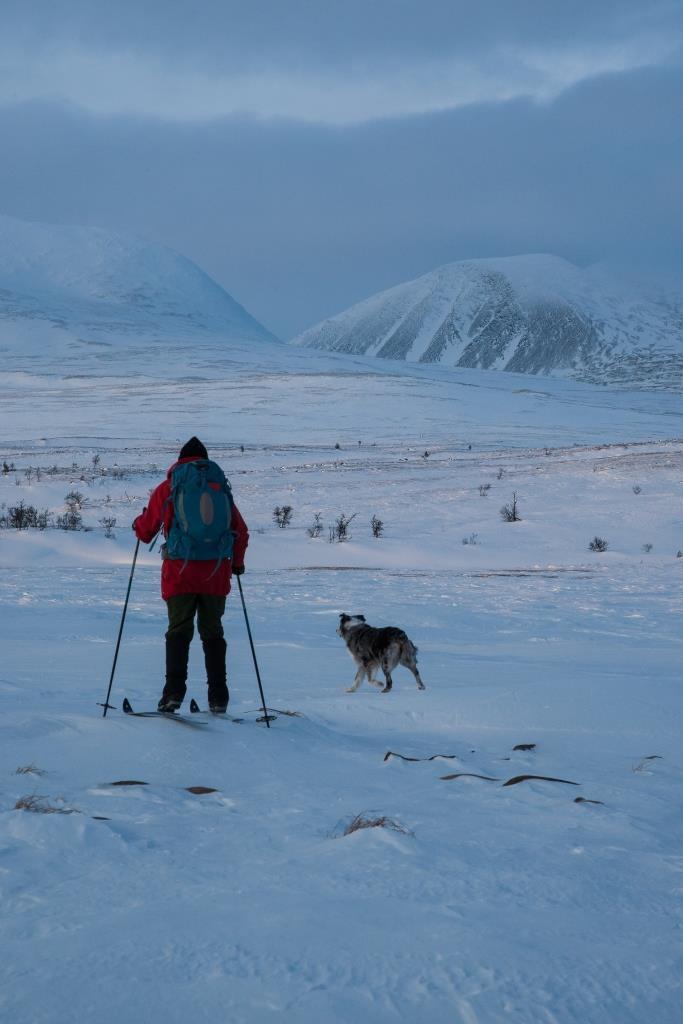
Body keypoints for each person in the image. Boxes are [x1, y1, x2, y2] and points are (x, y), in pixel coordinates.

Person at [133, 437, 248, 713]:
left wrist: (138, 523)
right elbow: (240, 531)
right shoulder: (219, 487)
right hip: (216, 573)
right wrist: (237, 564)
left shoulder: (171, 486)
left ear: (180, 459)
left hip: (179, 572)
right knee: (212, 632)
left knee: (179, 630)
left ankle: (173, 693)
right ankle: (218, 696)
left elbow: (146, 529)